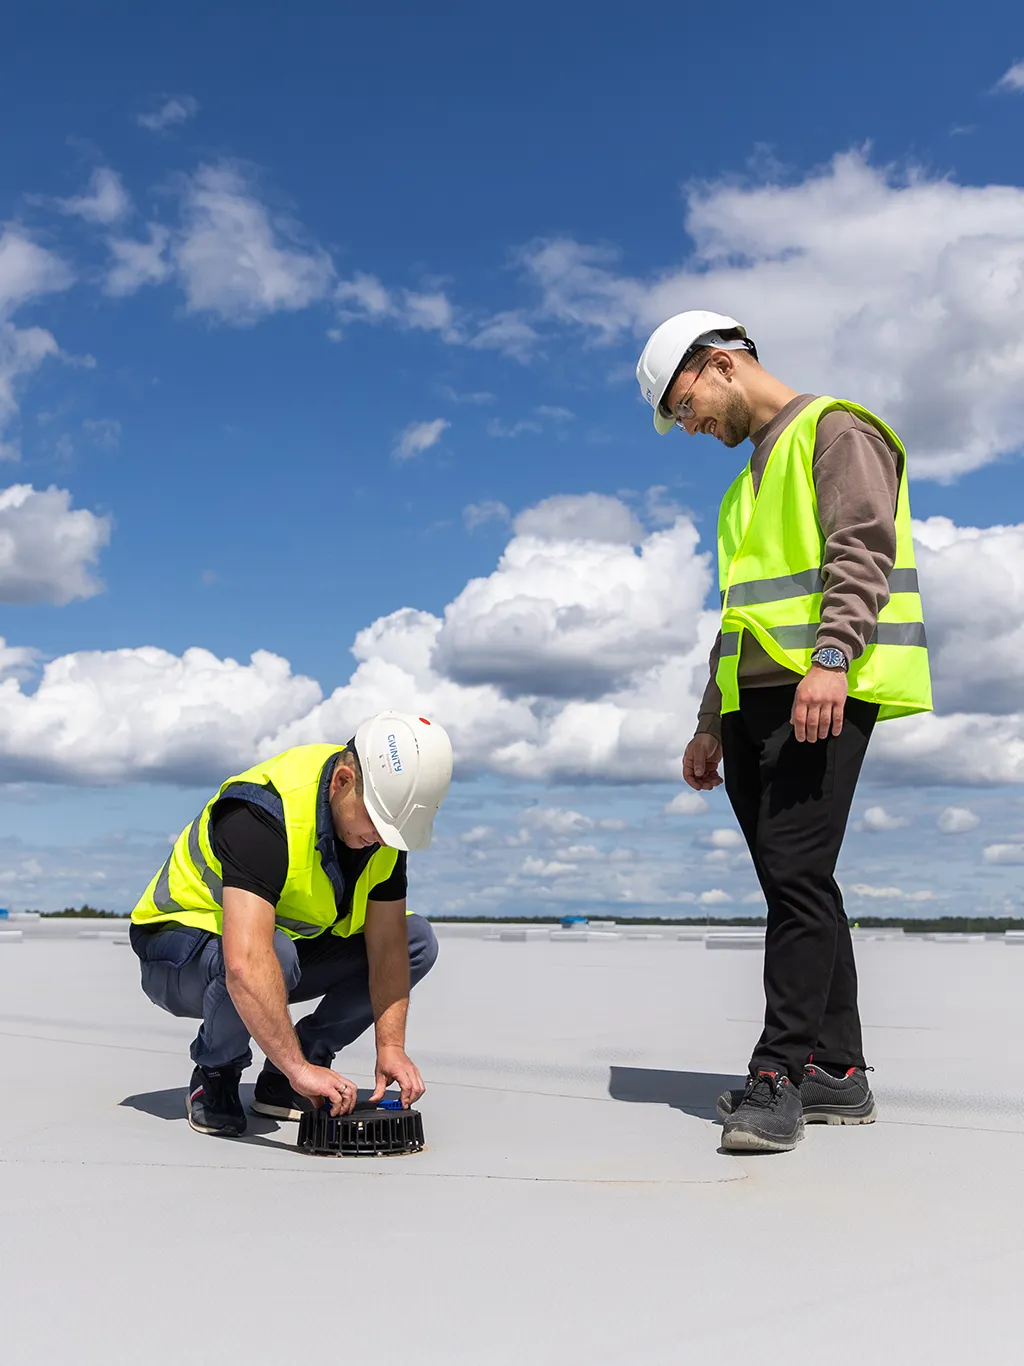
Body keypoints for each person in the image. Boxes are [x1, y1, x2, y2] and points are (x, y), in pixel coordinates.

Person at [636, 311, 932, 1153]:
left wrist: (833, 657)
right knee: (796, 885)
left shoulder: (835, 430)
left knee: (798, 875)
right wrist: (709, 722)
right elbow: (738, 615)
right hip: (754, 703)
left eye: (685, 401)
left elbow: (862, 547)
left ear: (721, 364)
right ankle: (838, 1072)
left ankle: (778, 1078)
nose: (689, 423)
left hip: (821, 692)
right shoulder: (745, 486)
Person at [129, 712, 453, 1138]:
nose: (383, 839)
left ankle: (287, 1077)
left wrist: (390, 1046)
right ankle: (215, 1074)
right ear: (341, 782)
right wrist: (300, 1070)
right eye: (378, 823)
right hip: (177, 955)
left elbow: (390, 944)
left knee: (417, 940)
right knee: (270, 954)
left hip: (271, 955)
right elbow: (246, 962)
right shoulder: (264, 811)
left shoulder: (384, 831)